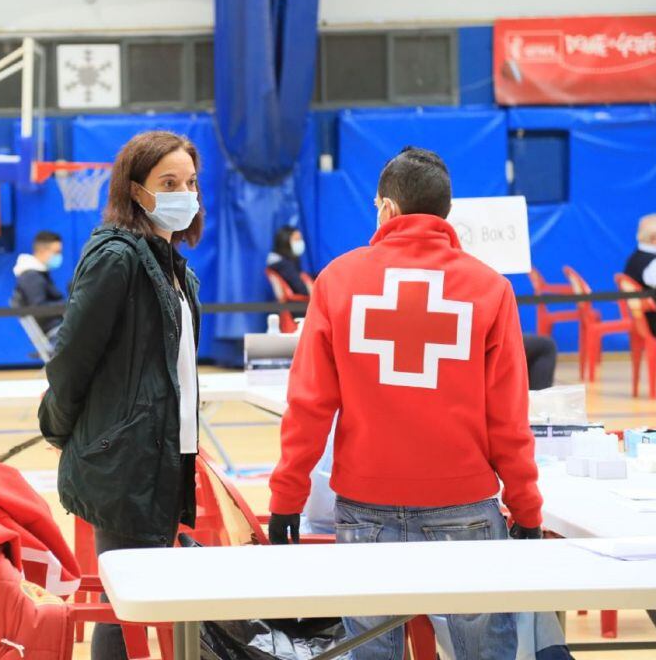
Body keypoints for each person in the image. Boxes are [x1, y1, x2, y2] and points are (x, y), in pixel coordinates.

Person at [268, 147, 542, 660]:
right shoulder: (490, 288)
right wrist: (526, 505)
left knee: (370, 652)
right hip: (466, 509)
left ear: (388, 209)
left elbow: (308, 407)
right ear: (445, 212)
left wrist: (287, 497)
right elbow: (507, 418)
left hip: (364, 510)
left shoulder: (337, 281)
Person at [38, 130, 203, 660]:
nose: (185, 192)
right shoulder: (117, 257)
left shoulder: (172, 264)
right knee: (124, 609)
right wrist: (60, 429)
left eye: (191, 182)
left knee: (147, 601)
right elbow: (71, 358)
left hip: (165, 456)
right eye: (169, 182)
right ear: (136, 191)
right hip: (123, 459)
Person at [12, 230, 65, 341]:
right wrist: (69, 306)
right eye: (56, 252)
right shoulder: (31, 276)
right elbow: (39, 309)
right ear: (42, 251)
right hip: (57, 331)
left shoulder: (39, 274)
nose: (59, 256)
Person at [267, 225, 311, 296]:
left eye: (300, 239)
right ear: (285, 242)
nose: (300, 242)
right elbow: (302, 290)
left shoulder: (279, 262)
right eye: (296, 239)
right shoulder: (284, 265)